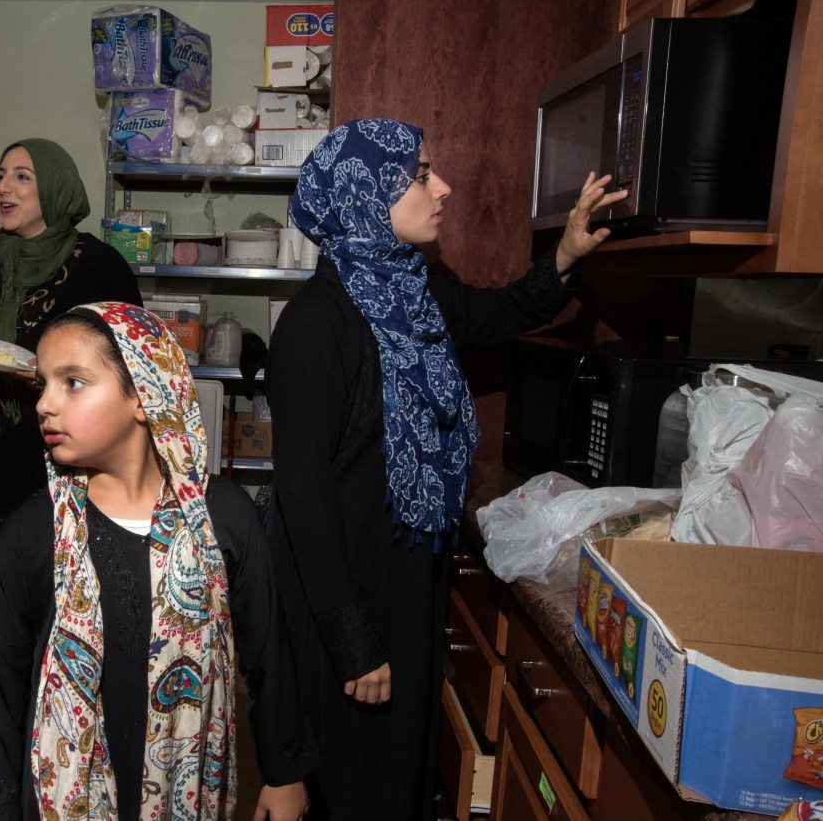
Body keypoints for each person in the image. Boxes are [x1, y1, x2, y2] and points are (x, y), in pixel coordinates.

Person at [264, 118, 628, 818]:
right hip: (352, 602)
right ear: (367, 191)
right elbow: (304, 505)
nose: (445, 188)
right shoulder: (316, 325)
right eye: (422, 173)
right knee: (351, 789)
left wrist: (568, 254)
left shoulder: (415, 294)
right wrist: (355, 644)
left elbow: (502, 312)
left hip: (410, 585)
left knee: (397, 782)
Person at [0, 301, 317, 821]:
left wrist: (284, 773)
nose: (45, 405)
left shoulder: (224, 519)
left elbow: (268, 653)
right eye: (42, 385)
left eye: (73, 382)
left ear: (145, 394)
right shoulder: (31, 538)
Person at [0, 139, 142, 808]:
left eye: (21, 176)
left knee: (60, 608)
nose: (3, 188)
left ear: (57, 188)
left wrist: (46, 373)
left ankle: (66, 758)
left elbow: (127, 357)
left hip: (62, 462)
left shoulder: (98, 264)